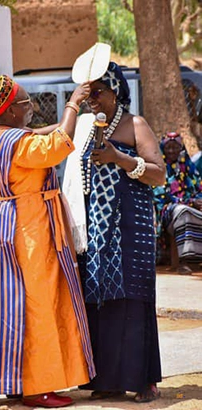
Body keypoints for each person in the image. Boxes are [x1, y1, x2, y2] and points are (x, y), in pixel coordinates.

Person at [0, 74, 95, 407]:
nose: (32, 109)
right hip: (29, 228)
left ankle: (28, 380)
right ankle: (38, 388)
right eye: (26, 104)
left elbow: (41, 133)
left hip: (15, 225)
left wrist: (71, 118)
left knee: (18, 303)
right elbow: (57, 145)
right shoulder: (17, 142)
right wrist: (73, 102)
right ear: (10, 112)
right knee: (38, 305)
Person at [63, 61, 166, 403]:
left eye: (97, 92)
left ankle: (144, 379)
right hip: (96, 228)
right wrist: (1, 126)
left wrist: (119, 158)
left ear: (115, 90)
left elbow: (158, 174)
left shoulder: (135, 124)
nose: (92, 99)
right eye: (88, 93)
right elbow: (49, 132)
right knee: (99, 298)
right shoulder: (85, 126)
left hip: (130, 229)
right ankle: (106, 378)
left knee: (133, 299)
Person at [153, 132, 202, 274]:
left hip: (190, 205)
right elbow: (160, 195)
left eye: (175, 148)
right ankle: (184, 262)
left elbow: (199, 187)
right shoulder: (160, 168)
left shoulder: (188, 166)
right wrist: (189, 202)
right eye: (168, 147)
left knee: (187, 211)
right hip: (168, 210)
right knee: (183, 212)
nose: (171, 151)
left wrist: (199, 200)